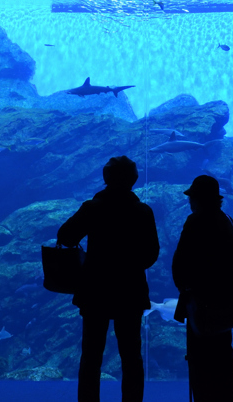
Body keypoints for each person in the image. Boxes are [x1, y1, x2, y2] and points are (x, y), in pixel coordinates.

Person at [57, 156, 159, 402]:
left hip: (95, 292)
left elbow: (65, 236)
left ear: (106, 178)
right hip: (130, 292)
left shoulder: (93, 208)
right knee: (132, 357)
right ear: (134, 180)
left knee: (91, 356)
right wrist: (130, 266)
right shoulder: (143, 211)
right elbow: (152, 253)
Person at [171, 174, 233, 402]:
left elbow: (180, 264)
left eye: (192, 197)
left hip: (202, 308)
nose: (189, 202)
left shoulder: (196, 222)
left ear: (199, 198)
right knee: (224, 360)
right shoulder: (228, 221)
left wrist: (186, 292)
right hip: (225, 306)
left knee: (201, 364)